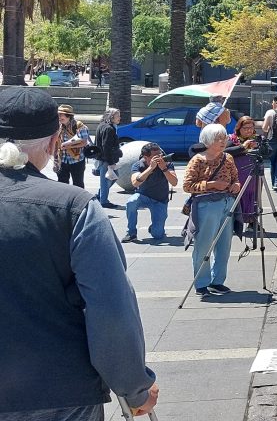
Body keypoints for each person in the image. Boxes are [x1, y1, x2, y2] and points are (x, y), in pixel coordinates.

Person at [0, 87, 159, 420]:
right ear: (53, 141)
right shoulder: (72, 206)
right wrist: (134, 387)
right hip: (55, 390)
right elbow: (110, 306)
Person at [182, 124, 242, 296]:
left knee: (224, 245)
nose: (223, 141)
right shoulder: (198, 160)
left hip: (227, 203)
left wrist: (236, 185)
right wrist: (212, 184)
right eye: (218, 139)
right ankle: (201, 282)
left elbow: (235, 177)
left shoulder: (228, 158)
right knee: (204, 245)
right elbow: (187, 186)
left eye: (224, 138)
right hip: (207, 205)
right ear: (207, 141)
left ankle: (218, 281)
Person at [122, 143, 177, 243]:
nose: (160, 158)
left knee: (158, 235)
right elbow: (135, 182)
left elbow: (174, 182)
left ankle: (154, 228)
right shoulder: (138, 165)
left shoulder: (167, 164)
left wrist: (164, 169)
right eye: (156, 156)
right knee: (131, 202)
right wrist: (150, 168)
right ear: (146, 157)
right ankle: (131, 232)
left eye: (160, 155)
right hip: (143, 196)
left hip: (160, 200)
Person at [228, 116, 261, 235]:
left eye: (251, 128)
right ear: (239, 128)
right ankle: (234, 223)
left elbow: (269, 152)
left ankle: (252, 222)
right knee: (237, 197)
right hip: (238, 174)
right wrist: (243, 147)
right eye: (245, 128)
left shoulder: (256, 139)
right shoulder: (232, 139)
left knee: (253, 197)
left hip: (253, 175)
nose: (248, 131)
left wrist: (259, 147)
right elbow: (225, 151)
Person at [94, 107, 123, 209]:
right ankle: (103, 200)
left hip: (102, 157)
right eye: (117, 116)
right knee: (107, 179)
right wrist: (110, 162)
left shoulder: (102, 126)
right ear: (111, 117)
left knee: (111, 177)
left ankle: (100, 195)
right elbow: (106, 146)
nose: (119, 117)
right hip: (106, 159)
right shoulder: (109, 129)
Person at [56, 104, 92, 188]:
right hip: (62, 160)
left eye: (61, 115)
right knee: (62, 184)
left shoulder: (78, 125)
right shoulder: (59, 126)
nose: (59, 117)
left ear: (68, 116)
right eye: (58, 115)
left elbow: (84, 142)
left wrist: (68, 146)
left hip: (77, 160)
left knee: (78, 184)